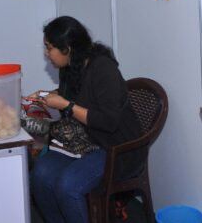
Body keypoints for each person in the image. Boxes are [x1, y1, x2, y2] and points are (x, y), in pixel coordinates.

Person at [30, 16, 143, 223]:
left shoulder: (103, 69)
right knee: (41, 175)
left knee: (68, 186)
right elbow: (74, 95)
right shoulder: (70, 66)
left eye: (49, 48)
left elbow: (108, 121)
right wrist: (46, 96)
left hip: (116, 147)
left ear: (67, 48)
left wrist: (65, 105)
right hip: (87, 140)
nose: (46, 54)